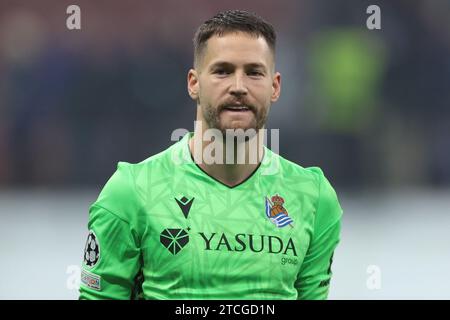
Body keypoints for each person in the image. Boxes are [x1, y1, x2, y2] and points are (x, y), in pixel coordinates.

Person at [79, 9, 343, 300]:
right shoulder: (132, 192)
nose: (239, 87)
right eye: (223, 71)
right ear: (194, 83)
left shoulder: (313, 198)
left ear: (275, 86)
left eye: (254, 72)